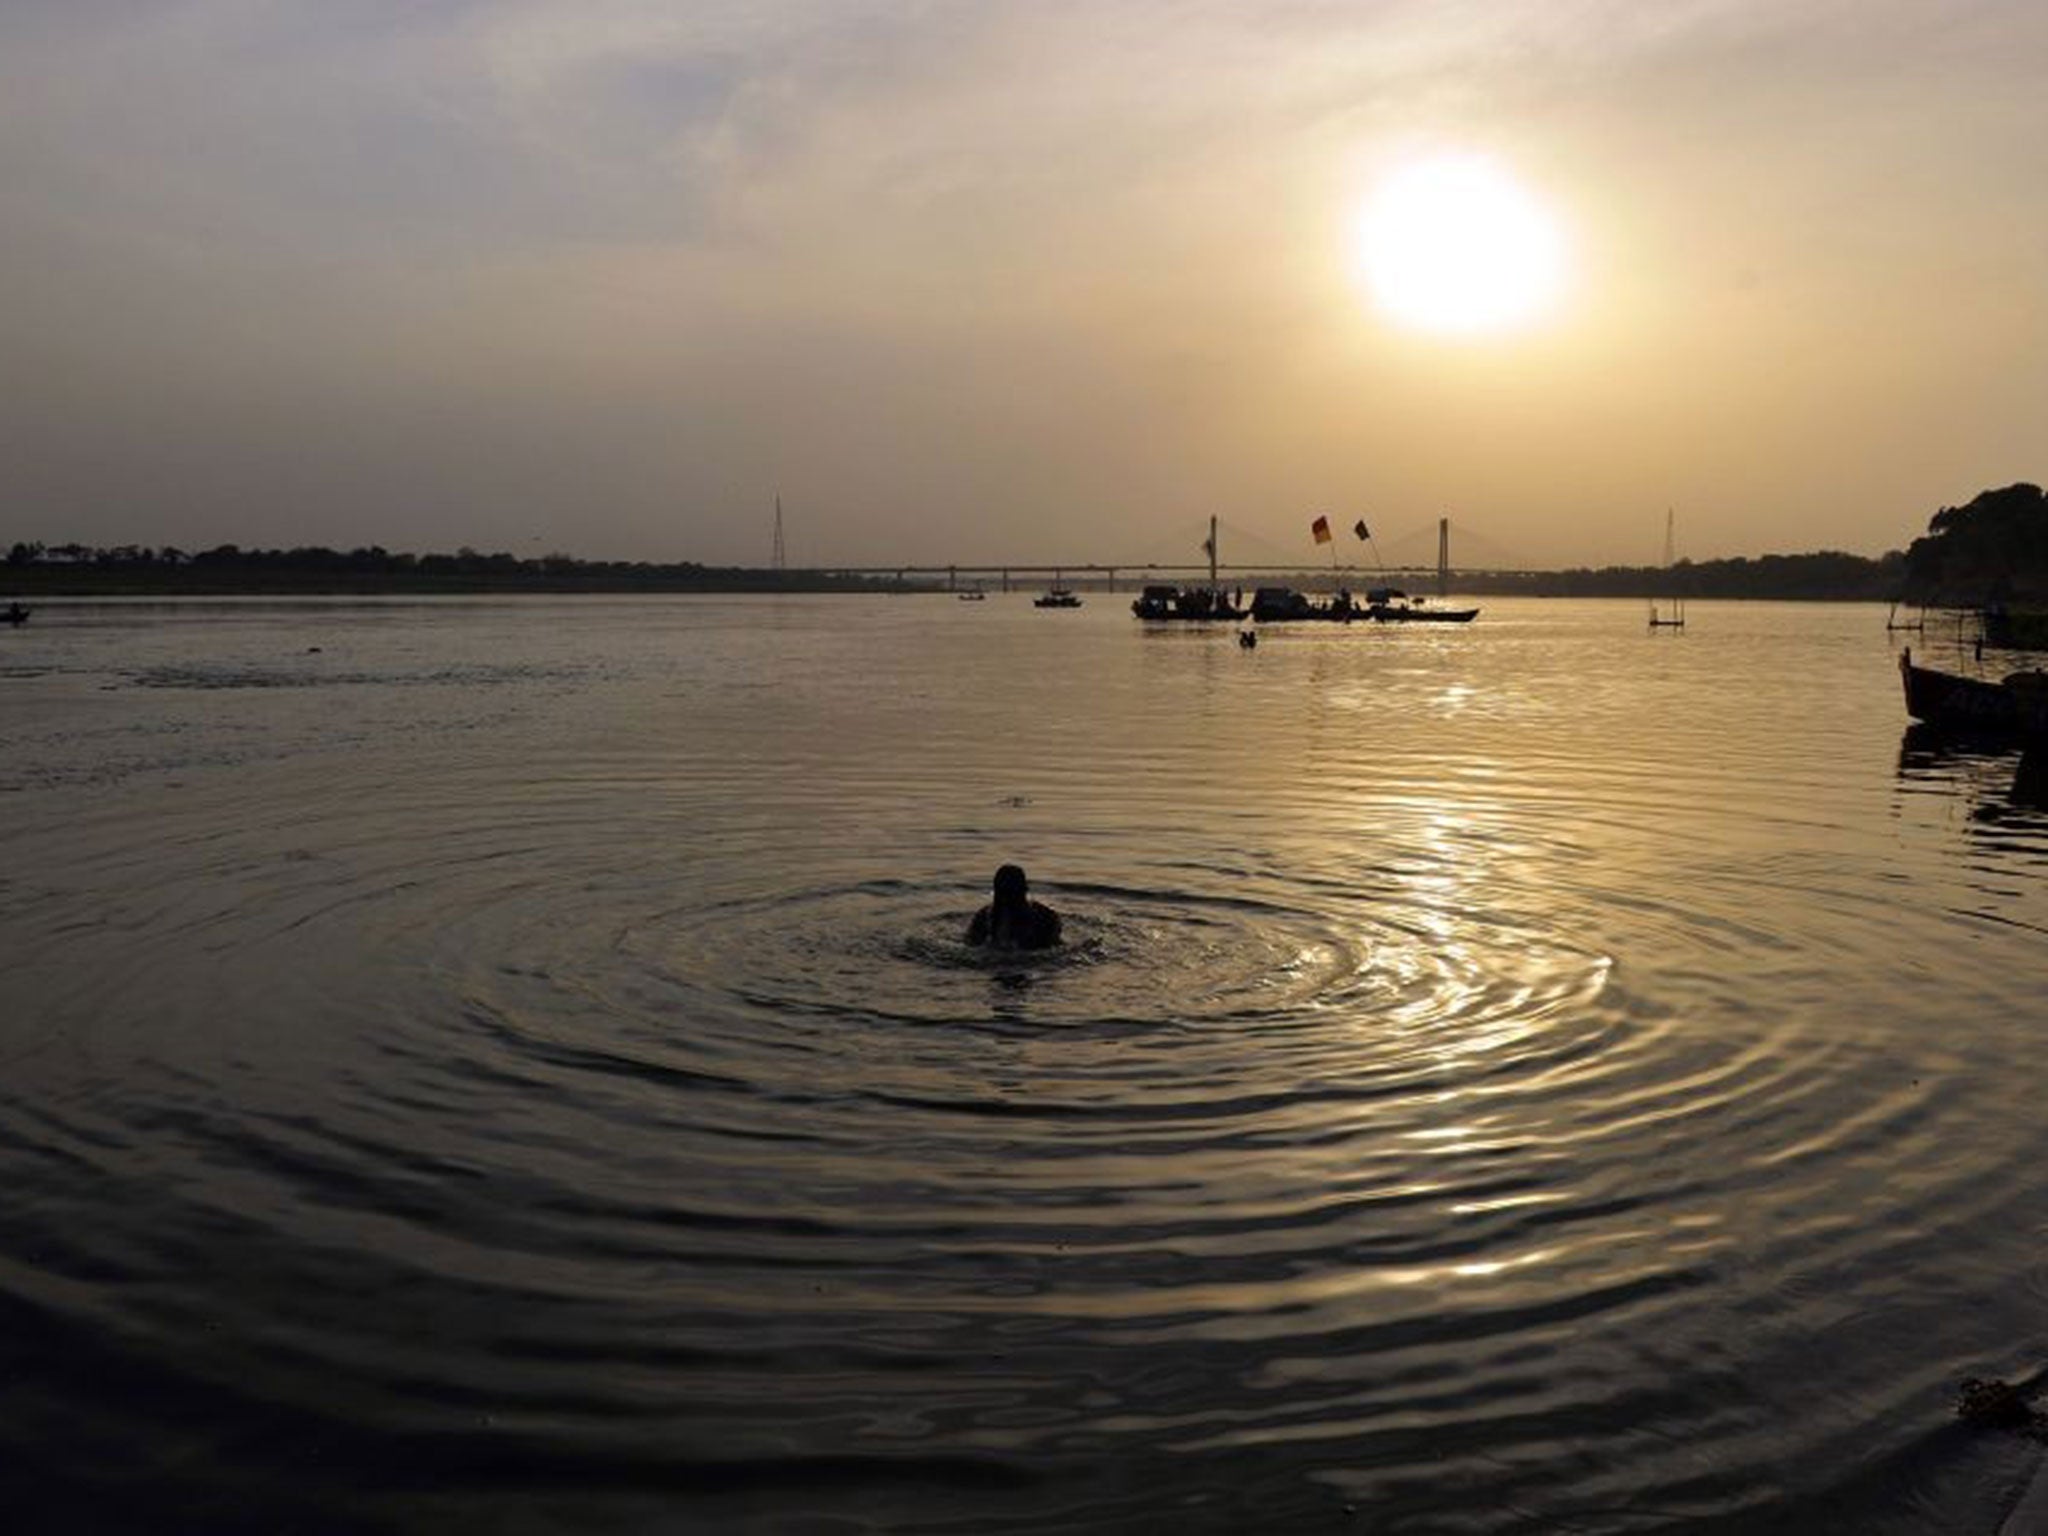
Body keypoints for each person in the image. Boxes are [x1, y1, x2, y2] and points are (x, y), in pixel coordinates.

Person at [965, 864, 1062, 950]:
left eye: (1012, 894)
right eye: (1003, 894)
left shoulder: (1046, 919)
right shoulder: (982, 919)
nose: (1007, 900)